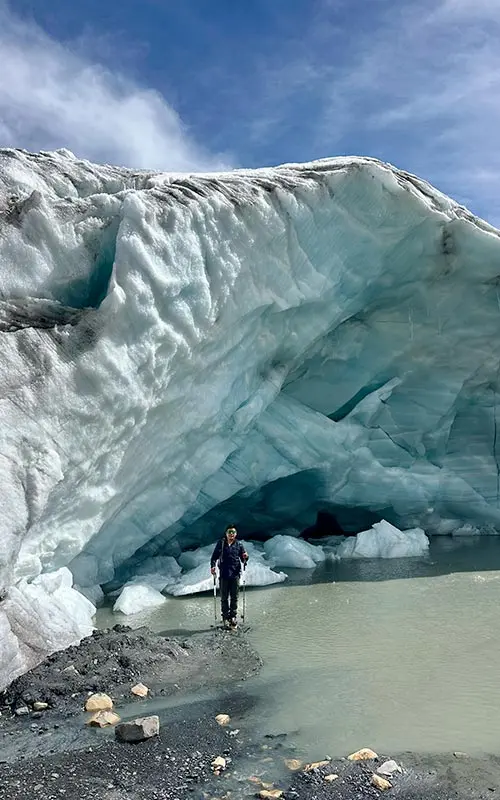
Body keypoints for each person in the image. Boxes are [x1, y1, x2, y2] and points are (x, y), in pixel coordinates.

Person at [210, 524, 248, 629]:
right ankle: (225, 617)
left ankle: (233, 616)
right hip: (224, 574)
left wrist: (246, 557)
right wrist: (213, 567)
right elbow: (214, 557)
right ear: (226, 534)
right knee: (224, 597)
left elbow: (243, 558)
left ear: (236, 534)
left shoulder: (239, 545)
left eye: (233, 532)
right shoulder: (221, 544)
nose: (231, 534)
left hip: (235, 574)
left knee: (234, 597)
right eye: (229, 532)